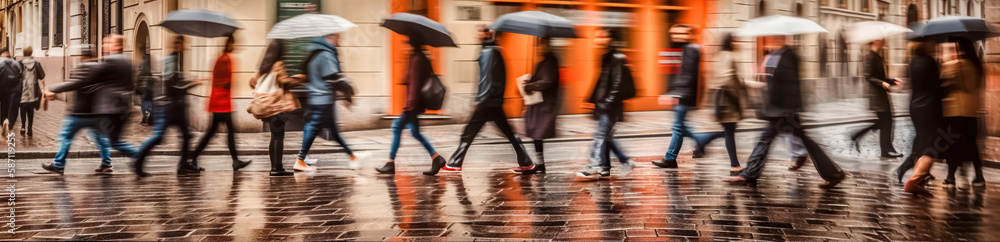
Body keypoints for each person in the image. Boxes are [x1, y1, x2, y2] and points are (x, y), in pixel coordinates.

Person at [725, 35, 846, 188]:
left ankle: (749, 174)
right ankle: (833, 173)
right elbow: (773, 82)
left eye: (772, 39)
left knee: (769, 140)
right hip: (778, 111)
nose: (769, 42)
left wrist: (790, 110)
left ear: (780, 39)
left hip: (784, 112)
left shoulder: (788, 56)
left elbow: (791, 87)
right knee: (773, 140)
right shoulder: (776, 56)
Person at [428, 27, 533, 174]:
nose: (477, 35)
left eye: (480, 33)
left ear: (486, 34)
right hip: (494, 102)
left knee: (468, 133)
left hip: (487, 102)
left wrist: (479, 99)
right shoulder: (495, 50)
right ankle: (526, 162)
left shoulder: (488, 52)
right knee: (508, 133)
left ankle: (455, 163)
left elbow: (485, 78)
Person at [42, 36, 141, 174]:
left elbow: (78, 83)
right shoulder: (124, 62)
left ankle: (58, 164)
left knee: (66, 135)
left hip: (82, 112)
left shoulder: (102, 65)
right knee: (104, 139)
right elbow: (131, 86)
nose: (104, 45)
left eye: (108, 43)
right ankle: (107, 163)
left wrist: (53, 88)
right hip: (99, 112)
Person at [653, 24, 724, 169]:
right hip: (682, 94)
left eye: (680, 33)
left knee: (678, 128)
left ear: (689, 35)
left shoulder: (691, 49)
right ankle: (702, 141)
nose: (676, 36)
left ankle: (672, 157)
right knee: (680, 128)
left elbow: (688, 76)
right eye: (674, 33)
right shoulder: (685, 49)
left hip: (683, 95)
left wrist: (675, 94)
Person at [131, 35, 203, 176]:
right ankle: (138, 160)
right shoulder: (171, 60)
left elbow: (175, 82)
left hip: (175, 107)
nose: (185, 46)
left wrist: (188, 82)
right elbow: (171, 87)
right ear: (177, 44)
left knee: (187, 135)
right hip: (168, 106)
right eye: (183, 43)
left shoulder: (176, 59)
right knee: (158, 137)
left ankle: (183, 164)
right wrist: (192, 84)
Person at [375, 38, 445, 175]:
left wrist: (410, 105)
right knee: (415, 133)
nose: (406, 45)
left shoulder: (417, 59)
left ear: (413, 43)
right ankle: (437, 158)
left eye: (408, 42)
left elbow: (416, 84)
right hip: (417, 104)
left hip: (413, 104)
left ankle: (390, 163)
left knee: (396, 127)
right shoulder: (420, 57)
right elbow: (414, 80)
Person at [293, 33, 361, 172]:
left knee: (333, 132)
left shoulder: (315, 53)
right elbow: (332, 79)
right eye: (336, 37)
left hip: (319, 98)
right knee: (313, 128)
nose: (338, 39)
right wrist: (347, 90)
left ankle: (352, 156)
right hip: (323, 100)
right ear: (328, 37)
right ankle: (300, 160)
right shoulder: (326, 55)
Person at [576, 28, 637, 180]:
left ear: (611, 39)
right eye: (597, 37)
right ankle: (614, 164)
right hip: (604, 104)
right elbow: (601, 81)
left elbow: (617, 84)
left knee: (601, 136)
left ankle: (594, 165)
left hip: (611, 106)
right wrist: (590, 99)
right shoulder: (606, 57)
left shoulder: (617, 58)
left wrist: (608, 102)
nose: (599, 39)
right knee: (606, 137)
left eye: (603, 36)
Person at [188, 34, 252, 171]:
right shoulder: (225, 59)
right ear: (229, 44)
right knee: (226, 131)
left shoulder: (222, 58)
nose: (235, 46)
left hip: (220, 101)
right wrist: (229, 82)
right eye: (234, 43)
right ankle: (234, 161)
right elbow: (223, 81)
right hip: (221, 102)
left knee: (214, 132)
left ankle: (194, 157)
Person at [249, 39, 306, 176]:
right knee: (278, 136)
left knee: (274, 136)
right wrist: (299, 79)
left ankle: (276, 167)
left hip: (266, 105)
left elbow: (253, 82)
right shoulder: (277, 64)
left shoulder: (263, 66)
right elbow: (285, 81)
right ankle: (276, 168)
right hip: (276, 105)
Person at [898, 39, 944, 193]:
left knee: (922, 140)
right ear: (927, 44)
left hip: (915, 107)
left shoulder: (913, 61)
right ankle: (915, 180)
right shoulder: (930, 61)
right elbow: (936, 86)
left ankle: (916, 174)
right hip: (929, 107)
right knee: (931, 144)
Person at [710, 32, 759, 176]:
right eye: (736, 41)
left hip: (722, 97)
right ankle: (734, 164)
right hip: (729, 99)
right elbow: (730, 79)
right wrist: (740, 93)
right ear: (731, 42)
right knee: (729, 131)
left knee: (728, 131)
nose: (738, 44)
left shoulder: (719, 56)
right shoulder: (731, 56)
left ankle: (734, 163)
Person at [940, 38, 985, 187]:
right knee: (972, 144)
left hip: (955, 111)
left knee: (953, 145)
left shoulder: (954, 65)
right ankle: (979, 176)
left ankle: (950, 177)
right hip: (972, 112)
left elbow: (943, 84)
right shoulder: (977, 66)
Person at [850, 39, 902, 158]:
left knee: (886, 122)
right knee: (885, 122)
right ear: (874, 42)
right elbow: (868, 76)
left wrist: (892, 81)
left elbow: (880, 77)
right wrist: (882, 83)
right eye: (880, 40)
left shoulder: (878, 56)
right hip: (876, 96)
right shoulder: (870, 57)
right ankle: (885, 149)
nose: (883, 41)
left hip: (881, 94)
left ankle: (886, 149)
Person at [515, 37, 561, 174]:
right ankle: (540, 163)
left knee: (537, 133)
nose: (540, 47)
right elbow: (540, 79)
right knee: (536, 134)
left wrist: (530, 86)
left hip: (544, 105)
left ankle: (540, 163)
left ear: (548, 45)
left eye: (542, 44)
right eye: (539, 45)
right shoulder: (543, 62)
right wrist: (529, 80)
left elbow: (546, 82)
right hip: (539, 104)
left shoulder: (550, 62)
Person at [19, 46, 46, 137]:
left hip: (22, 91)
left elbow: (16, 76)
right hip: (33, 92)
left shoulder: (20, 64)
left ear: (23, 53)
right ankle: (30, 128)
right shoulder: (36, 64)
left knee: (23, 108)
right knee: (30, 109)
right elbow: (42, 76)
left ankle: (23, 126)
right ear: (31, 53)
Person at [0, 48, 23, 136]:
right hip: (14, 89)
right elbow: (20, 74)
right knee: (13, 108)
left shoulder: (0, 62)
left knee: (3, 106)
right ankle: (9, 123)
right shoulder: (16, 63)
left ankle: (3, 121)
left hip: (3, 88)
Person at [136, 53, 154, 125]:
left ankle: (146, 117)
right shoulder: (152, 64)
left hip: (145, 88)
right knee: (148, 102)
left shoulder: (143, 64)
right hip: (150, 88)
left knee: (145, 102)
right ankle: (147, 118)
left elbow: (141, 73)